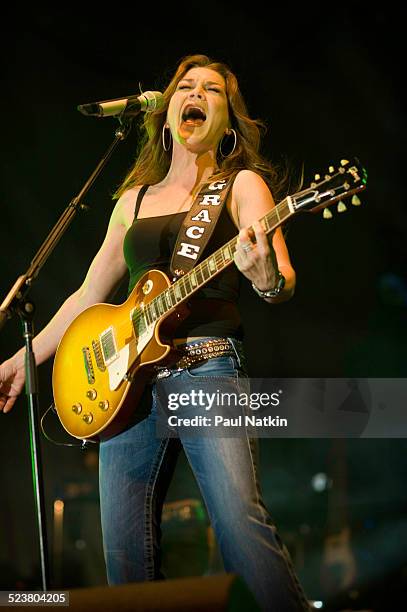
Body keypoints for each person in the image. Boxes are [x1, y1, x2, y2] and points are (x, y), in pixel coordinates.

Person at [0, 54, 311, 611]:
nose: (196, 93)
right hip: (127, 384)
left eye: (212, 90)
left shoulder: (242, 185)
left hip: (205, 363)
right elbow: (86, 297)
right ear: (165, 114)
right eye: (185, 87)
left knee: (239, 522)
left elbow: (281, 278)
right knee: (123, 551)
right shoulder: (131, 201)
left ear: (228, 119)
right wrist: (27, 359)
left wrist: (267, 279)